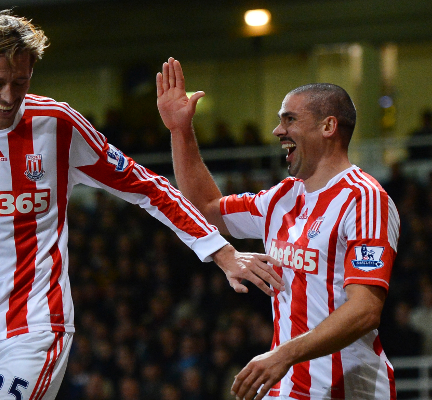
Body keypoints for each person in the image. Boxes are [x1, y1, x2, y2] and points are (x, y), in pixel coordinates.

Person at [0, 12, 283, 400]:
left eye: (20, 82)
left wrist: (223, 253)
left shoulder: (57, 125)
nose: (8, 97)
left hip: (38, 324)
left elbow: (148, 187)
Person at [156, 58, 400, 400]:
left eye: (289, 119)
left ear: (328, 126)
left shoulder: (365, 198)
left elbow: (365, 311)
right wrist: (180, 130)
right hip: (286, 386)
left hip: (347, 388)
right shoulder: (282, 196)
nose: (278, 131)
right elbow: (207, 210)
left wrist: (283, 354)